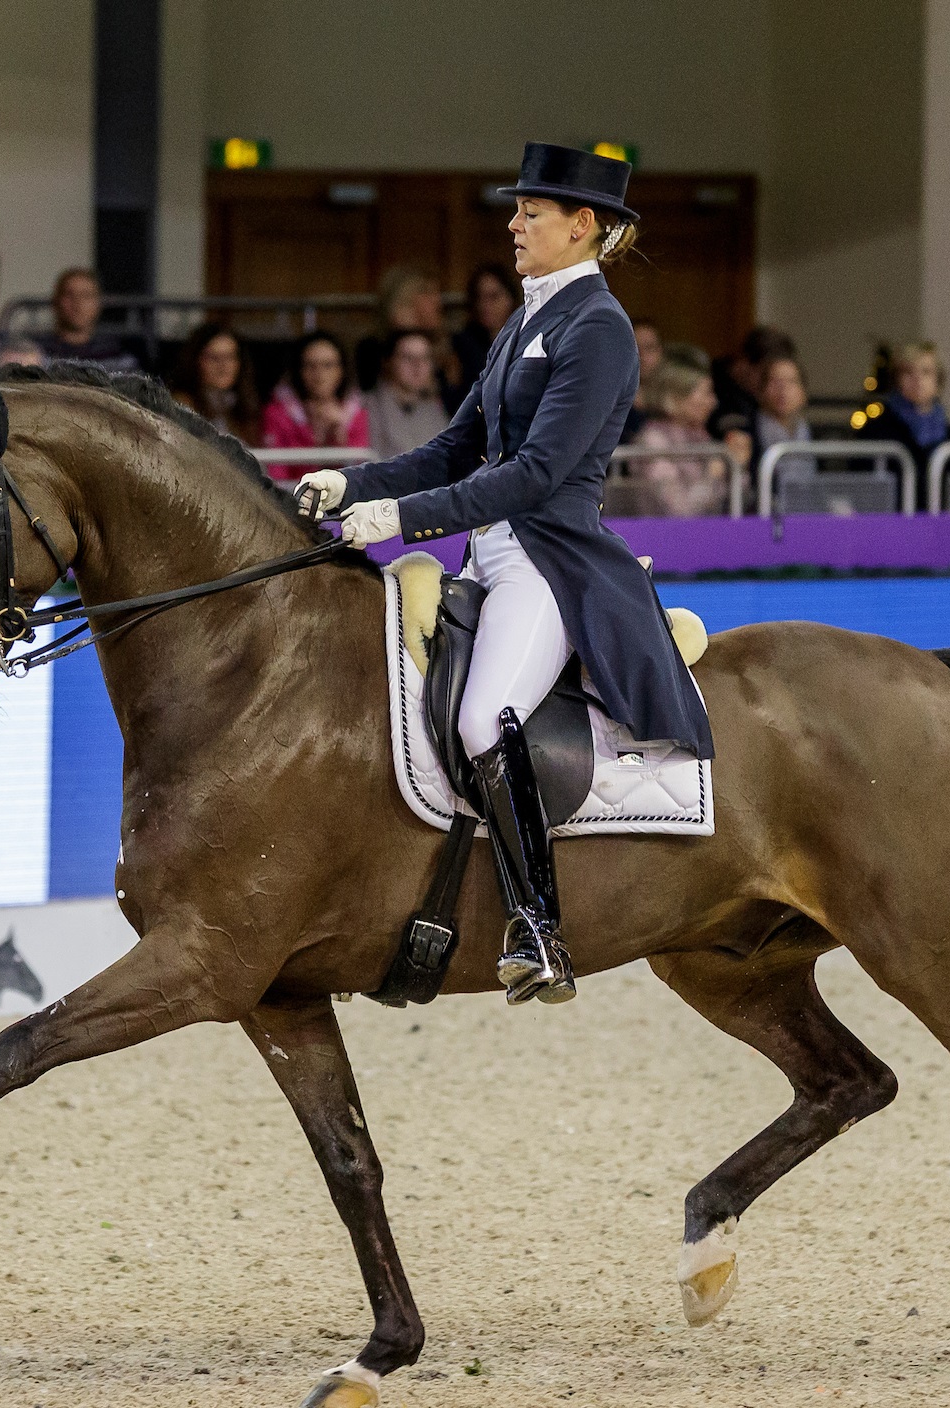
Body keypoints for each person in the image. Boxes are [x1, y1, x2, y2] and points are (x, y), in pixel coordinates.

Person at [297, 142, 713, 1007]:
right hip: (485, 555)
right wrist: (353, 483)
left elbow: (535, 474)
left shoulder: (598, 329)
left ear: (582, 225)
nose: (513, 223)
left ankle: (539, 927)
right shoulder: (525, 319)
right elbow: (454, 448)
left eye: (530, 211)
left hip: (547, 560)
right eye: (516, 209)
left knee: (488, 715)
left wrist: (402, 520)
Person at [855, 340, 950, 509]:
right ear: (897, 380)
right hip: (894, 527)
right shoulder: (874, 432)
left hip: (941, 529)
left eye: (926, 372)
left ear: (938, 382)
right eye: (908, 372)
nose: (917, 379)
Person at [630, 361, 730, 516]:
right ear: (676, 398)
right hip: (661, 536)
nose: (713, 402)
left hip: (707, 532)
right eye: (706, 393)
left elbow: (736, 504)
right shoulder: (653, 441)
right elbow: (678, 509)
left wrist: (737, 467)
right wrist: (712, 476)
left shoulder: (701, 437)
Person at [260, 331, 368, 450]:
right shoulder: (276, 413)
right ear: (298, 370)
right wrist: (313, 437)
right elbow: (274, 467)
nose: (319, 375)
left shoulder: (357, 413)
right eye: (310, 365)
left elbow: (361, 465)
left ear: (341, 371)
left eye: (328, 365)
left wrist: (338, 437)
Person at [168, 322, 261, 445]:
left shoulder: (244, 407)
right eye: (214, 357)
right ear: (196, 361)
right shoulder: (181, 407)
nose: (223, 366)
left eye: (230, 357)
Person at [355, 266, 444, 391]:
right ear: (404, 299)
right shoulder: (371, 350)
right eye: (428, 293)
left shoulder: (445, 348)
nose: (437, 301)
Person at [33, 267, 138, 370]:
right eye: (69, 295)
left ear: (98, 303)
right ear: (56, 301)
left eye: (86, 296)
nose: (77, 303)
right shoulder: (35, 353)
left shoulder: (117, 355)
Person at [366, 328, 448, 457]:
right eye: (408, 358)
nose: (418, 365)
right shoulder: (368, 405)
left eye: (425, 358)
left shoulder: (433, 408)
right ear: (388, 362)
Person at [447, 262, 517, 411]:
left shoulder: (524, 340)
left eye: (493, 297)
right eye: (479, 297)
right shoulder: (461, 345)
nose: (484, 305)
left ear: (510, 298)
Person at [712, 325, 797, 446]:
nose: (777, 389)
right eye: (769, 377)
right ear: (745, 364)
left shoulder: (752, 400)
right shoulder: (714, 395)